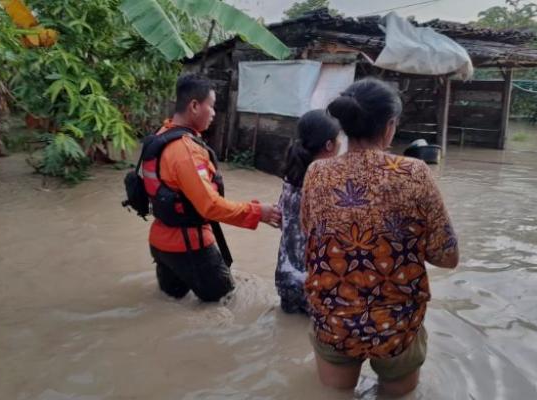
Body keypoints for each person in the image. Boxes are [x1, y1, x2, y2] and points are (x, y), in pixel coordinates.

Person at [300, 78, 459, 396]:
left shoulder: (316, 173)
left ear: (344, 126)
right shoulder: (413, 173)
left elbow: (311, 235)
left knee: (334, 395)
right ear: (390, 126)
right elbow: (448, 256)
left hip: (335, 319)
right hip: (396, 326)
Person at [144, 74, 281, 302]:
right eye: (212, 106)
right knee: (227, 303)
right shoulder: (186, 151)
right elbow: (210, 206)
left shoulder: (160, 136)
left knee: (171, 305)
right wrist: (259, 212)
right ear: (195, 106)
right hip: (190, 248)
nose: (214, 113)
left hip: (160, 244)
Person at [275, 110, 340, 314]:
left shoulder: (290, 180)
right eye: (339, 140)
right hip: (312, 284)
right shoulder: (326, 186)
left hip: (285, 277)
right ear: (329, 146)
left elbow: (281, 221)